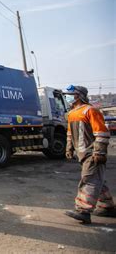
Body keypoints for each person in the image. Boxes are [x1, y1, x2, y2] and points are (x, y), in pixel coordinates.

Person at [64, 85, 115, 224]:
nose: (67, 97)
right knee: (98, 180)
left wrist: (99, 152)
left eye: (69, 94)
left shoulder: (91, 110)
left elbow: (101, 133)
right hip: (83, 153)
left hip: (92, 153)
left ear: (77, 95)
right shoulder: (72, 114)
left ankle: (83, 211)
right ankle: (107, 207)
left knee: (89, 180)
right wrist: (69, 148)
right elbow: (70, 133)